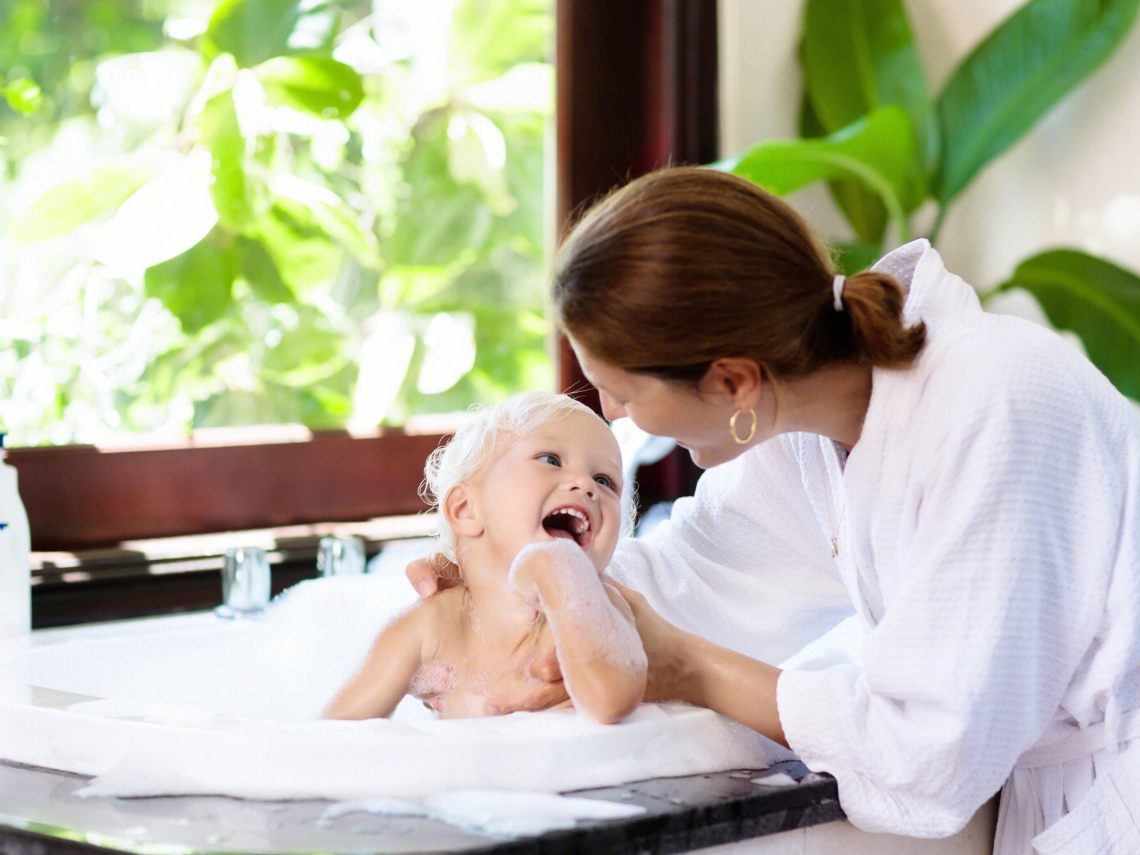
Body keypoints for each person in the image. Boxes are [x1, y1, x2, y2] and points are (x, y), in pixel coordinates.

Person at [408, 166, 1140, 854]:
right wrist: (499, 596)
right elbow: (696, 580)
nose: (611, 412)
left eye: (626, 392)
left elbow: (930, 751)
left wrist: (690, 669)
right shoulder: (806, 429)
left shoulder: (992, 408)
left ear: (733, 382)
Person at [325, 391, 646, 724]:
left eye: (605, 480)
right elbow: (332, 735)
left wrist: (566, 580)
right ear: (465, 509)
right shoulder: (430, 627)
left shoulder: (593, 608)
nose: (586, 485)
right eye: (550, 460)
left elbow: (612, 701)